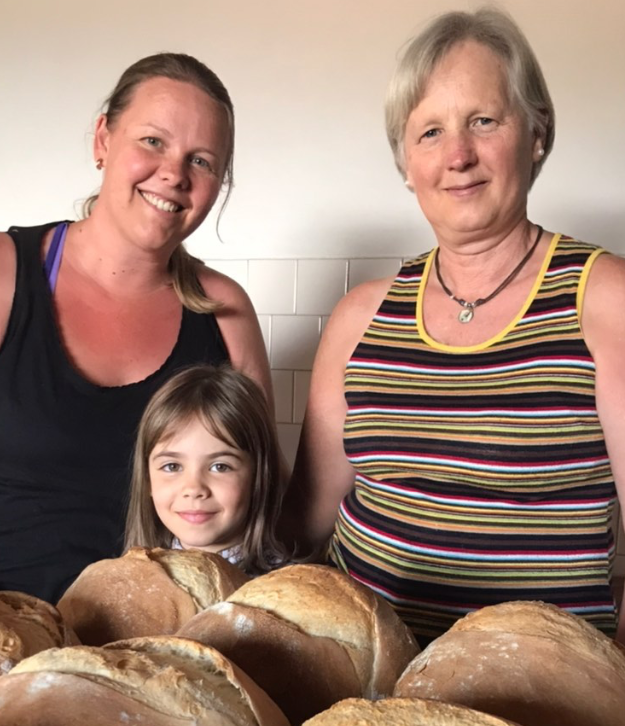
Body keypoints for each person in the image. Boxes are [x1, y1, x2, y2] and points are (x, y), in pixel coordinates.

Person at [286, 8, 625, 646]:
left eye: (483, 121)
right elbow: (303, 526)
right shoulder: (360, 318)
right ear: (405, 164)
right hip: (367, 675)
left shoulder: (606, 299)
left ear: (537, 133)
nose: (459, 155)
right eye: (430, 132)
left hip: (543, 683)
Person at [0, 53, 273, 603]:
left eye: (202, 161)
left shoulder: (225, 312)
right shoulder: (7, 274)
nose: (174, 173)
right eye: (152, 141)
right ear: (103, 139)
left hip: (162, 638)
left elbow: (266, 495)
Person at [125, 365, 286, 575]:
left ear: (258, 477)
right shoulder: (132, 580)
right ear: (148, 480)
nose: (194, 489)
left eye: (220, 467)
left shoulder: (288, 584)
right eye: (172, 466)